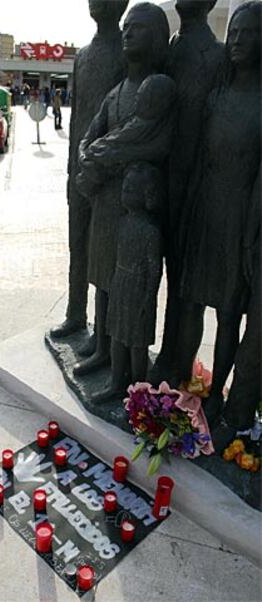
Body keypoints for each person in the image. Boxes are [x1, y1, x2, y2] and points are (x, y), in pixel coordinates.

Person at [73, 3, 173, 377]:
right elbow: (92, 133)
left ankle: (122, 366)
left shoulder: (158, 87)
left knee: (123, 284)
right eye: (127, 27)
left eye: (139, 28)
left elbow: (138, 138)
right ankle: (101, 346)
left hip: (132, 205)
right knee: (101, 277)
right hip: (105, 199)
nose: (128, 33)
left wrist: (95, 158)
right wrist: (87, 155)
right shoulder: (117, 91)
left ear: (158, 37)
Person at [177, 1, 261, 425]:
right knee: (192, 302)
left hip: (238, 223)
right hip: (205, 214)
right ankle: (186, 375)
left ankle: (219, 390)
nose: (240, 41)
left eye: (250, 33)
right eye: (236, 32)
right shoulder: (217, 97)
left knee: (229, 315)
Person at [151, 0, 224, 384]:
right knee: (162, 277)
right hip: (158, 184)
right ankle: (163, 354)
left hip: (195, 190)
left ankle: (178, 366)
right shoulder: (168, 44)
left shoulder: (217, 56)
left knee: (187, 288)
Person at [50, 0, 129, 341]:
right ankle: (75, 314)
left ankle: (104, 331)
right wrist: (72, 168)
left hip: (109, 175)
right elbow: (77, 115)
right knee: (77, 245)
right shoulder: (82, 55)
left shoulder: (127, 51)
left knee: (104, 254)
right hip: (78, 171)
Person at [91, 162, 164, 402]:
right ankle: (115, 383)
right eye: (125, 189)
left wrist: (147, 301)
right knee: (117, 338)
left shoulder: (151, 232)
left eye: (131, 190)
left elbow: (155, 271)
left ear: (148, 196)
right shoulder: (123, 223)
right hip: (120, 285)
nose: (125, 194)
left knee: (137, 343)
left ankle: (137, 390)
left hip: (138, 291)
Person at [76, 74, 176, 199]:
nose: (137, 100)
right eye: (138, 95)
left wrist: (117, 154)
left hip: (134, 192)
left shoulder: (157, 123)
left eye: (142, 97)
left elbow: (161, 148)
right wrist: (84, 157)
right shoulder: (115, 97)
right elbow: (90, 137)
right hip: (103, 187)